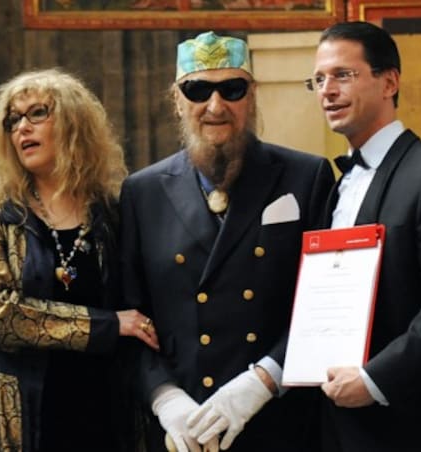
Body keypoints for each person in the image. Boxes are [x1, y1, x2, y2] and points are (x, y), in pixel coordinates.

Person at [119, 31, 335, 452]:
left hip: (280, 421)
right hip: (184, 429)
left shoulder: (306, 177)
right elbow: (128, 318)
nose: (215, 106)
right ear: (177, 100)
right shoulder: (140, 192)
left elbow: (323, 305)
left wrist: (264, 380)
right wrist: (165, 398)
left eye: (231, 89)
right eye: (198, 90)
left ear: (251, 96)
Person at [0, 68, 159, 452]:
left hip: (102, 409)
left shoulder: (111, 213)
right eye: (12, 120)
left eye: (37, 113)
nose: (21, 128)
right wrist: (105, 325)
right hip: (19, 413)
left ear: (73, 123)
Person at [310, 21, 421, 452]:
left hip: (412, 424)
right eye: (319, 79)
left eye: (343, 75)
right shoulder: (333, 183)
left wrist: (375, 379)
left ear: (390, 82)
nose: (327, 90)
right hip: (337, 422)